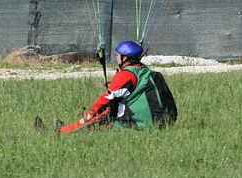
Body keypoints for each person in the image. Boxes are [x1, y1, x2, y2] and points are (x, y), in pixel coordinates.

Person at [35, 40, 177, 134]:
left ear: (125, 58)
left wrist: (89, 115)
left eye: (118, 55)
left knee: (97, 121)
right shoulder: (142, 69)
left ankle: (56, 134)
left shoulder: (125, 74)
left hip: (140, 123)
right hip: (159, 121)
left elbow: (106, 98)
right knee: (104, 114)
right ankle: (65, 129)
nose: (116, 57)